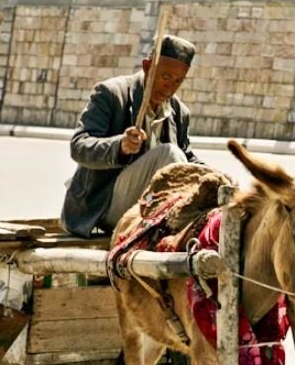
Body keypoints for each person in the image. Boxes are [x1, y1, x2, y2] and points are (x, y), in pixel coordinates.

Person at [60, 35, 200, 238]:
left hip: (149, 203)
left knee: (194, 172)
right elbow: (80, 146)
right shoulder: (111, 93)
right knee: (168, 154)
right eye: (165, 77)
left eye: (178, 80)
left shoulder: (179, 111)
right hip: (104, 207)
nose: (170, 87)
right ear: (147, 67)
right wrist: (120, 147)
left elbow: (188, 159)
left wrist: (216, 178)